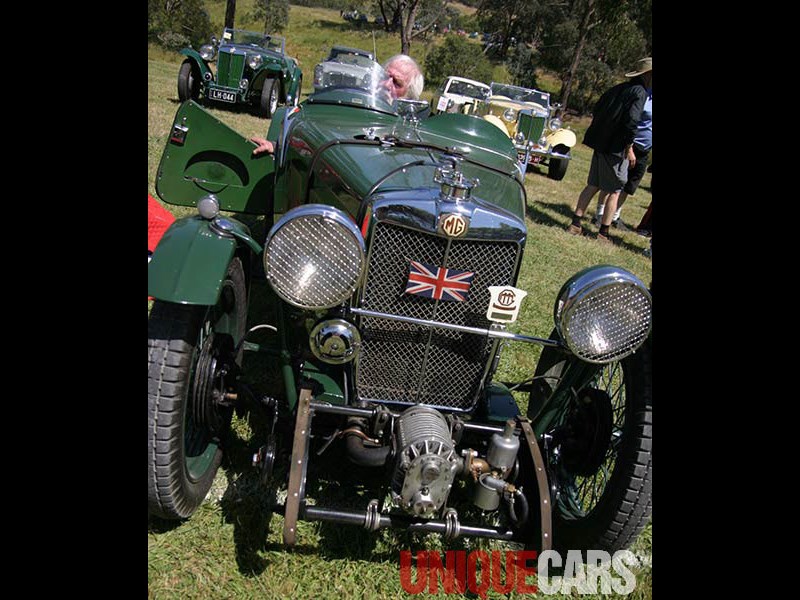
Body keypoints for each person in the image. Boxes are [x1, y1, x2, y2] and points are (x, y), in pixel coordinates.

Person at [251, 54, 424, 155]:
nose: (387, 85)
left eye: (397, 83)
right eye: (387, 76)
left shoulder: (409, 136)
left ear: (409, 96)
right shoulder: (354, 108)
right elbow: (319, 137)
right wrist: (277, 147)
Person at [566, 57, 652, 244]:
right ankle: (603, 233)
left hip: (602, 144)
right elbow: (632, 121)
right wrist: (629, 148)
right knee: (615, 190)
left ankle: (576, 223)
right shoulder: (640, 93)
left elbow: (598, 108)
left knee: (593, 185)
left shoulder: (619, 88)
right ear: (648, 74)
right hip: (615, 148)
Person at [594, 82, 652, 229]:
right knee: (612, 182)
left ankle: (615, 216)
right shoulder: (643, 94)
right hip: (629, 145)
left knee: (629, 185)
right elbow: (631, 119)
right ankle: (600, 214)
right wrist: (629, 146)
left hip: (645, 149)